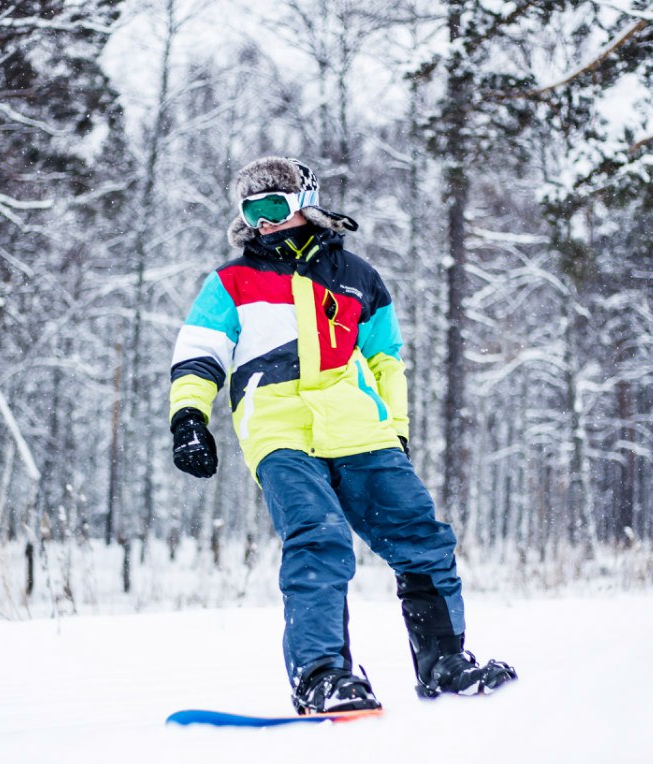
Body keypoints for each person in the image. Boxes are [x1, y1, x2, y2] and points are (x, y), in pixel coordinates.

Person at [168, 156, 516, 714]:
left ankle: (444, 662)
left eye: (273, 206)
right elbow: (199, 352)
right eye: (251, 211)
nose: (263, 221)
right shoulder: (231, 283)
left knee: (422, 538)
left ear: (305, 202)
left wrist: (396, 430)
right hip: (278, 429)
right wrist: (189, 416)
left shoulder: (358, 277)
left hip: (360, 428)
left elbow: (386, 360)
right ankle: (322, 675)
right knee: (319, 537)